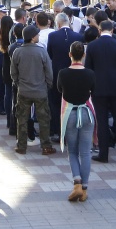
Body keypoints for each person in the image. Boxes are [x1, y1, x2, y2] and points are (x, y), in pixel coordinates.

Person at [84, 20, 116, 163]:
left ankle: (103, 154)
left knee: (102, 121)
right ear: (112, 30)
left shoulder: (92, 46)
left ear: (99, 30)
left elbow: (88, 69)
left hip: (99, 88)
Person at [57, 40, 96, 202]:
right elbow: (93, 89)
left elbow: (60, 89)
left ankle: (77, 183)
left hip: (70, 113)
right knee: (86, 152)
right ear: (84, 55)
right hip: (86, 113)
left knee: (72, 151)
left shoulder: (63, 73)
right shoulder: (90, 73)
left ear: (70, 54)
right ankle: (84, 189)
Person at [10, 25, 55, 155]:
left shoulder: (17, 52)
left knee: (22, 119)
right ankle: (46, 146)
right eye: (37, 35)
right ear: (32, 37)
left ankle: (21, 146)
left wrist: (18, 84)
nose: (38, 36)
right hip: (40, 91)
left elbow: (13, 73)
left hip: (23, 90)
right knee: (44, 119)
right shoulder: (41, 51)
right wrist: (48, 85)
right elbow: (49, 71)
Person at [46, 13, 81, 141]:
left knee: (56, 102)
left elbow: (49, 53)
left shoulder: (53, 36)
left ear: (58, 23)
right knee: (73, 103)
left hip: (57, 74)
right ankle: (74, 129)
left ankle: (58, 130)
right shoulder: (77, 36)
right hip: (75, 74)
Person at [0, 9, 15, 117]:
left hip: (5, 66)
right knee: (13, 94)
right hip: (12, 66)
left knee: (7, 93)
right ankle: (13, 118)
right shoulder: (12, 38)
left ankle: (9, 118)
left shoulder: (2, 35)